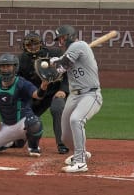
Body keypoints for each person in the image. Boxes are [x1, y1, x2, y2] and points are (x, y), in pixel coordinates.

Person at [0, 53, 49, 157]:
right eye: (3, 66)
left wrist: (43, 86)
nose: (5, 69)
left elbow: (37, 95)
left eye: (8, 66)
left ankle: (33, 147)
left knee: (34, 122)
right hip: (6, 125)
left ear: (15, 68)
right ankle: (11, 142)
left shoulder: (21, 83)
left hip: (23, 124)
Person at [50, 25, 103, 173]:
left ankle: (80, 162)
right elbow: (61, 70)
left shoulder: (79, 45)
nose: (60, 41)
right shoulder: (71, 51)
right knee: (65, 135)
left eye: (62, 38)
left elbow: (63, 65)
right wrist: (57, 62)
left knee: (76, 120)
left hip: (90, 94)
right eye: (58, 39)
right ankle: (81, 152)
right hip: (74, 95)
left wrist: (55, 62)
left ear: (69, 36)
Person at [18, 32, 70, 154]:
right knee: (23, 115)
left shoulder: (55, 54)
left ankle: (62, 143)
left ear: (41, 44)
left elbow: (68, 73)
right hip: (37, 94)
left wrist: (63, 90)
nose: (33, 47)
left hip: (55, 92)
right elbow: (19, 82)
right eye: (29, 45)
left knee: (57, 109)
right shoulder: (21, 60)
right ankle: (18, 139)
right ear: (24, 46)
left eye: (35, 44)